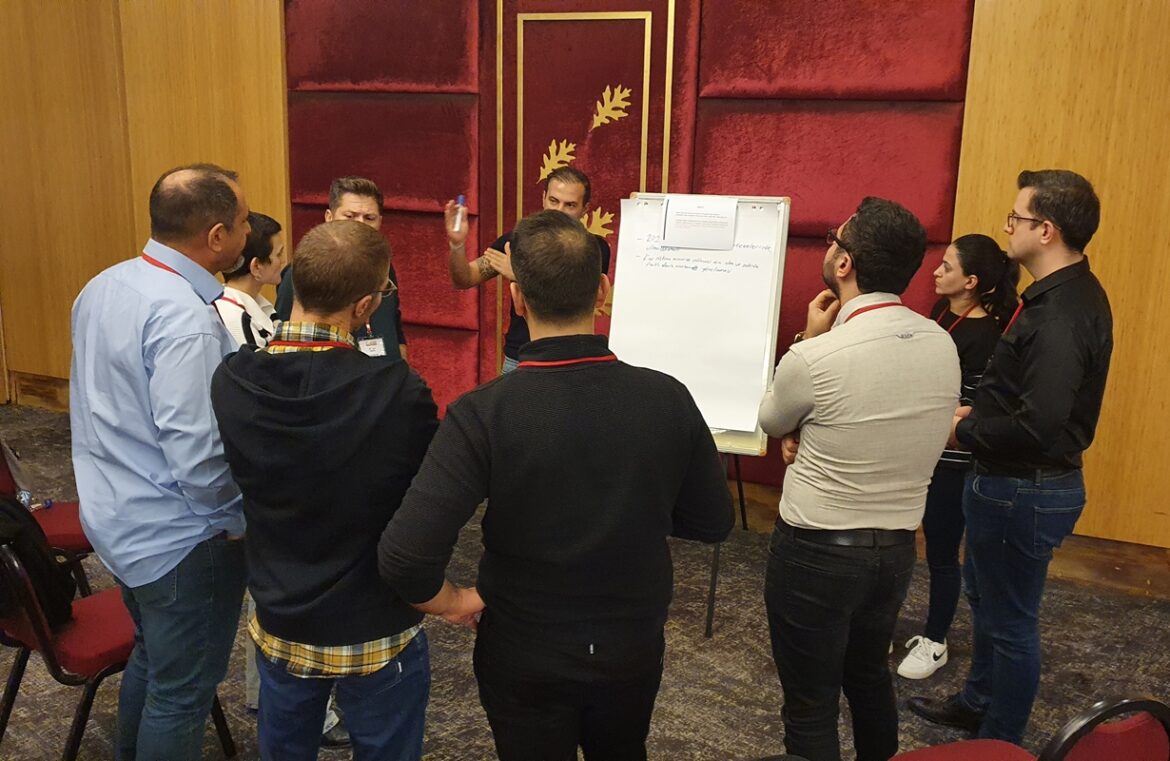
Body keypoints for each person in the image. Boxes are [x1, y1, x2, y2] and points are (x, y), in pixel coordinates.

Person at [379, 209, 733, 760]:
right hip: (631, 644)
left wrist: (452, 601)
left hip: (523, 647)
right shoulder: (668, 397)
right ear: (602, 291)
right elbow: (712, 522)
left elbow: (406, 557)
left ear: (516, 298)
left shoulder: (482, 413)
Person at [212, 220, 439, 761]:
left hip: (281, 613)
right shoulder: (400, 392)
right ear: (364, 307)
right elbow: (422, 505)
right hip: (376, 619)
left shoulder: (231, 379)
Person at [909, 170, 1113, 745]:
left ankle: (998, 741)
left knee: (1012, 624)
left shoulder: (1061, 314)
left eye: (1015, 218)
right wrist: (974, 417)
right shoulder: (1054, 295)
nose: (1007, 229)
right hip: (1010, 482)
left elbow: (1038, 425)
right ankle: (978, 702)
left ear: (1046, 230)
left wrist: (965, 429)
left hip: (1024, 487)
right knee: (988, 602)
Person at [758, 197, 960, 761]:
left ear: (844, 264)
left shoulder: (817, 356)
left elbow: (772, 419)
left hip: (814, 551)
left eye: (833, 239)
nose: (828, 247)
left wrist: (807, 338)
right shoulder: (941, 342)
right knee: (869, 677)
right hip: (895, 549)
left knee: (810, 702)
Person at [70, 163, 250, 760]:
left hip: (117, 521)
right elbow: (199, 457)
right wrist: (236, 520)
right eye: (243, 221)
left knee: (152, 660)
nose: (250, 231)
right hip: (180, 538)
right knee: (182, 694)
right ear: (217, 236)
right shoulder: (185, 320)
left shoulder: (104, 284)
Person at [897, 235, 1020, 680]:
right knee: (903, 541)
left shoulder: (986, 333)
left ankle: (936, 640)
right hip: (920, 448)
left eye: (947, 267)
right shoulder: (941, 312)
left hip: (951, 460)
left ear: (971, 281)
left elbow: (970, 403)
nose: (935, 271)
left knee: (942, 551)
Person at [443, 166, 610, 372]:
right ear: (543, 199)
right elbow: (464, 279)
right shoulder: (516, 242)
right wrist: (457, 245)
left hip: (573, 359)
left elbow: (570, 297)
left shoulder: (594, 249)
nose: (558, 211)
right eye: (553, 201)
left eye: (570, 205)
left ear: (585, 209)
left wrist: (519, 274)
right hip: (520, 358)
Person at [276, 176, 408, 359]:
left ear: (380, 221)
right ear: (329, 217)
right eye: (350, 216)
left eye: (369, 218)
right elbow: (286, 339)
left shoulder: (384, 266)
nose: (360, 224)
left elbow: (394, 325)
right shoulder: (302, 271)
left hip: (385, 371)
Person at [214, 211, 285, 348]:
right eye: (278, 254)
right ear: (256, 267)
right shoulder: (236, 317)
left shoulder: (259, 304)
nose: (283, 261)